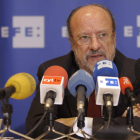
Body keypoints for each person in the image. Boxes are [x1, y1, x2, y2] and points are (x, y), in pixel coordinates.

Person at [26, 4, 140, 139]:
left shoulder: (134, 72)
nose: (95, 45)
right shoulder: (56, 71)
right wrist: (117, 126)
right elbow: (37, 129)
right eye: (84, 37)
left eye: (102, 35)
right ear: (72, 43)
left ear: (114, 38)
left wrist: (79, 123)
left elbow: (137, 127)